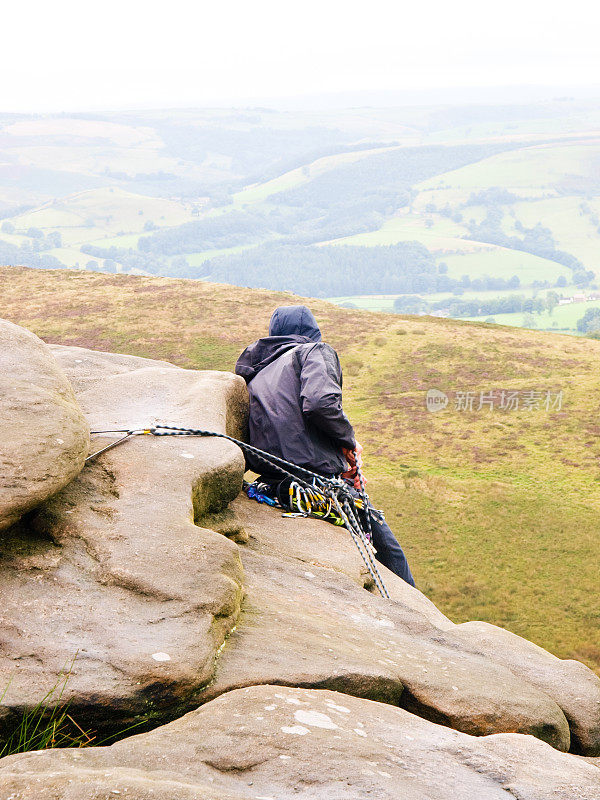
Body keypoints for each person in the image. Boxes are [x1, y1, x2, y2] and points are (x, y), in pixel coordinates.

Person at [235, 304, 415, 586]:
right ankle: (417, 623)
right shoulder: (313, 352)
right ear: (311, 331)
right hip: (313, 481)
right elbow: (320, 403)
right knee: (390, 551)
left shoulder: (257, 373)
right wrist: (348, 441)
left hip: (272, 482)